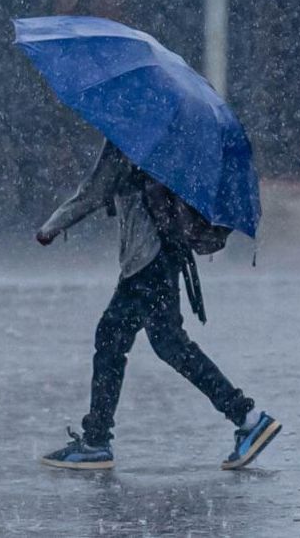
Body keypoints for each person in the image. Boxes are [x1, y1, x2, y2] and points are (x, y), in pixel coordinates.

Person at [36, 139, 281, 470]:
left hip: (145, 261)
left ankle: (96, 441)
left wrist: (51, 226)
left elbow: (93, 192)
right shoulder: (168, 142)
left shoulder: (127, 139)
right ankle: (248, 417)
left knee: (112, 339)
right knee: (168, 345)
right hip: (165, 255)